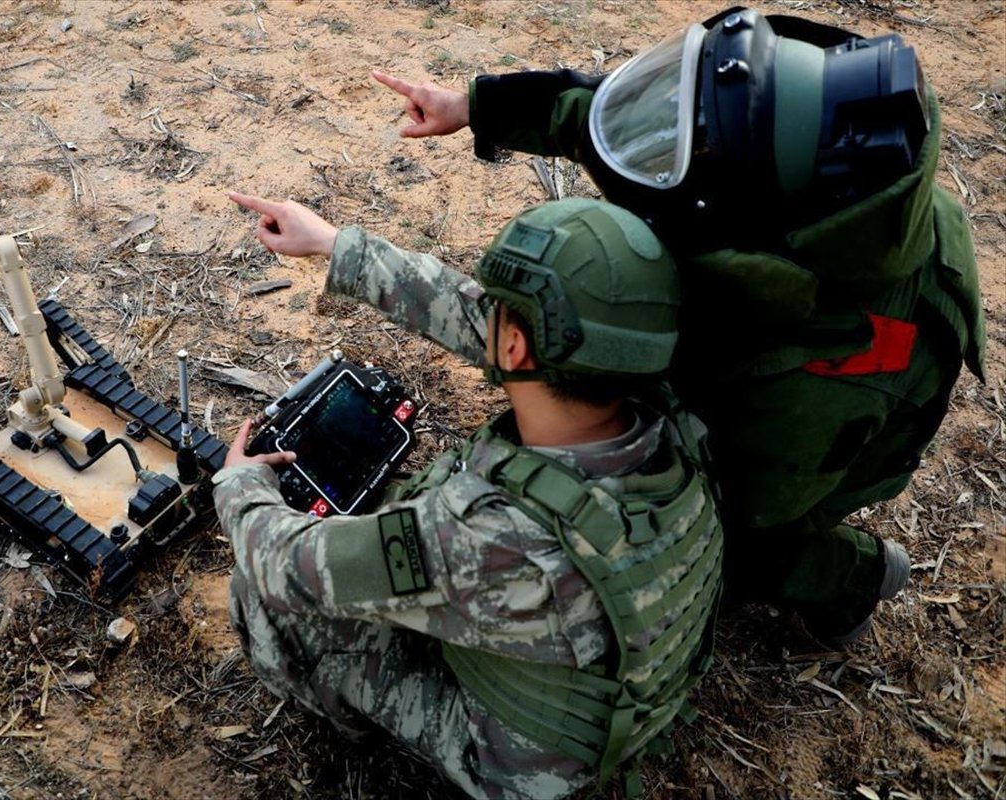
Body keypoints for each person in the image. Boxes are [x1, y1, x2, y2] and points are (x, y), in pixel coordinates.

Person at [371, 5, 985, 646]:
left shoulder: (825, 374)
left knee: (719, 540)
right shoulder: (812, 165)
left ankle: (851, 577)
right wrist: (478, 107)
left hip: (832, 446)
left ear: (751, 233)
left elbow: (746, 503)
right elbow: (645, 126)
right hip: (786, 352)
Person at [215, 193, 724, 798]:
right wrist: (335, 245)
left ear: (512, 349)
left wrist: (242, 484)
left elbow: (284, 565)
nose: (484, 318)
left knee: (262, 596)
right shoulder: (670, 417)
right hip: (613, 696)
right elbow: (466, 314)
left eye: (497, 312)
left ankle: (351, 730)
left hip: (529, 766)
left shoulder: (489, 537)